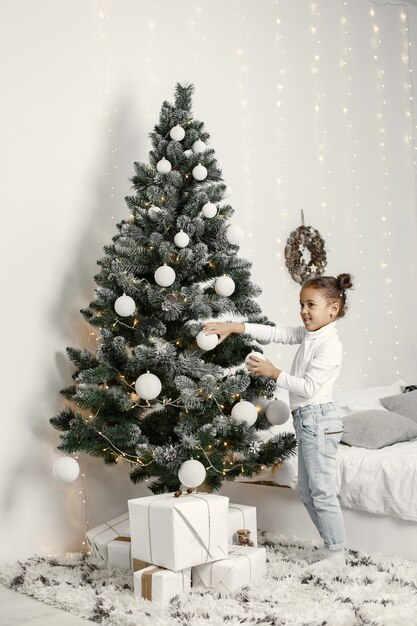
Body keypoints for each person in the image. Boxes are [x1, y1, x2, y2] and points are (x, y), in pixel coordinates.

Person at [203, 273, 354, 573]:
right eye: (301, 304)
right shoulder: (311, 335)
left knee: (321, 490)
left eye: (311, 304)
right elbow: (277, 333)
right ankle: (331, 547)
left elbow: (309, 388)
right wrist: (234, 327)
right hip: (308, 422)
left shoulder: (329, 345)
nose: (304, 311)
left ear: (333, 310)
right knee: (306, 491)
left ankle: (337, 554)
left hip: (319, 421)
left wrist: (274, 372)